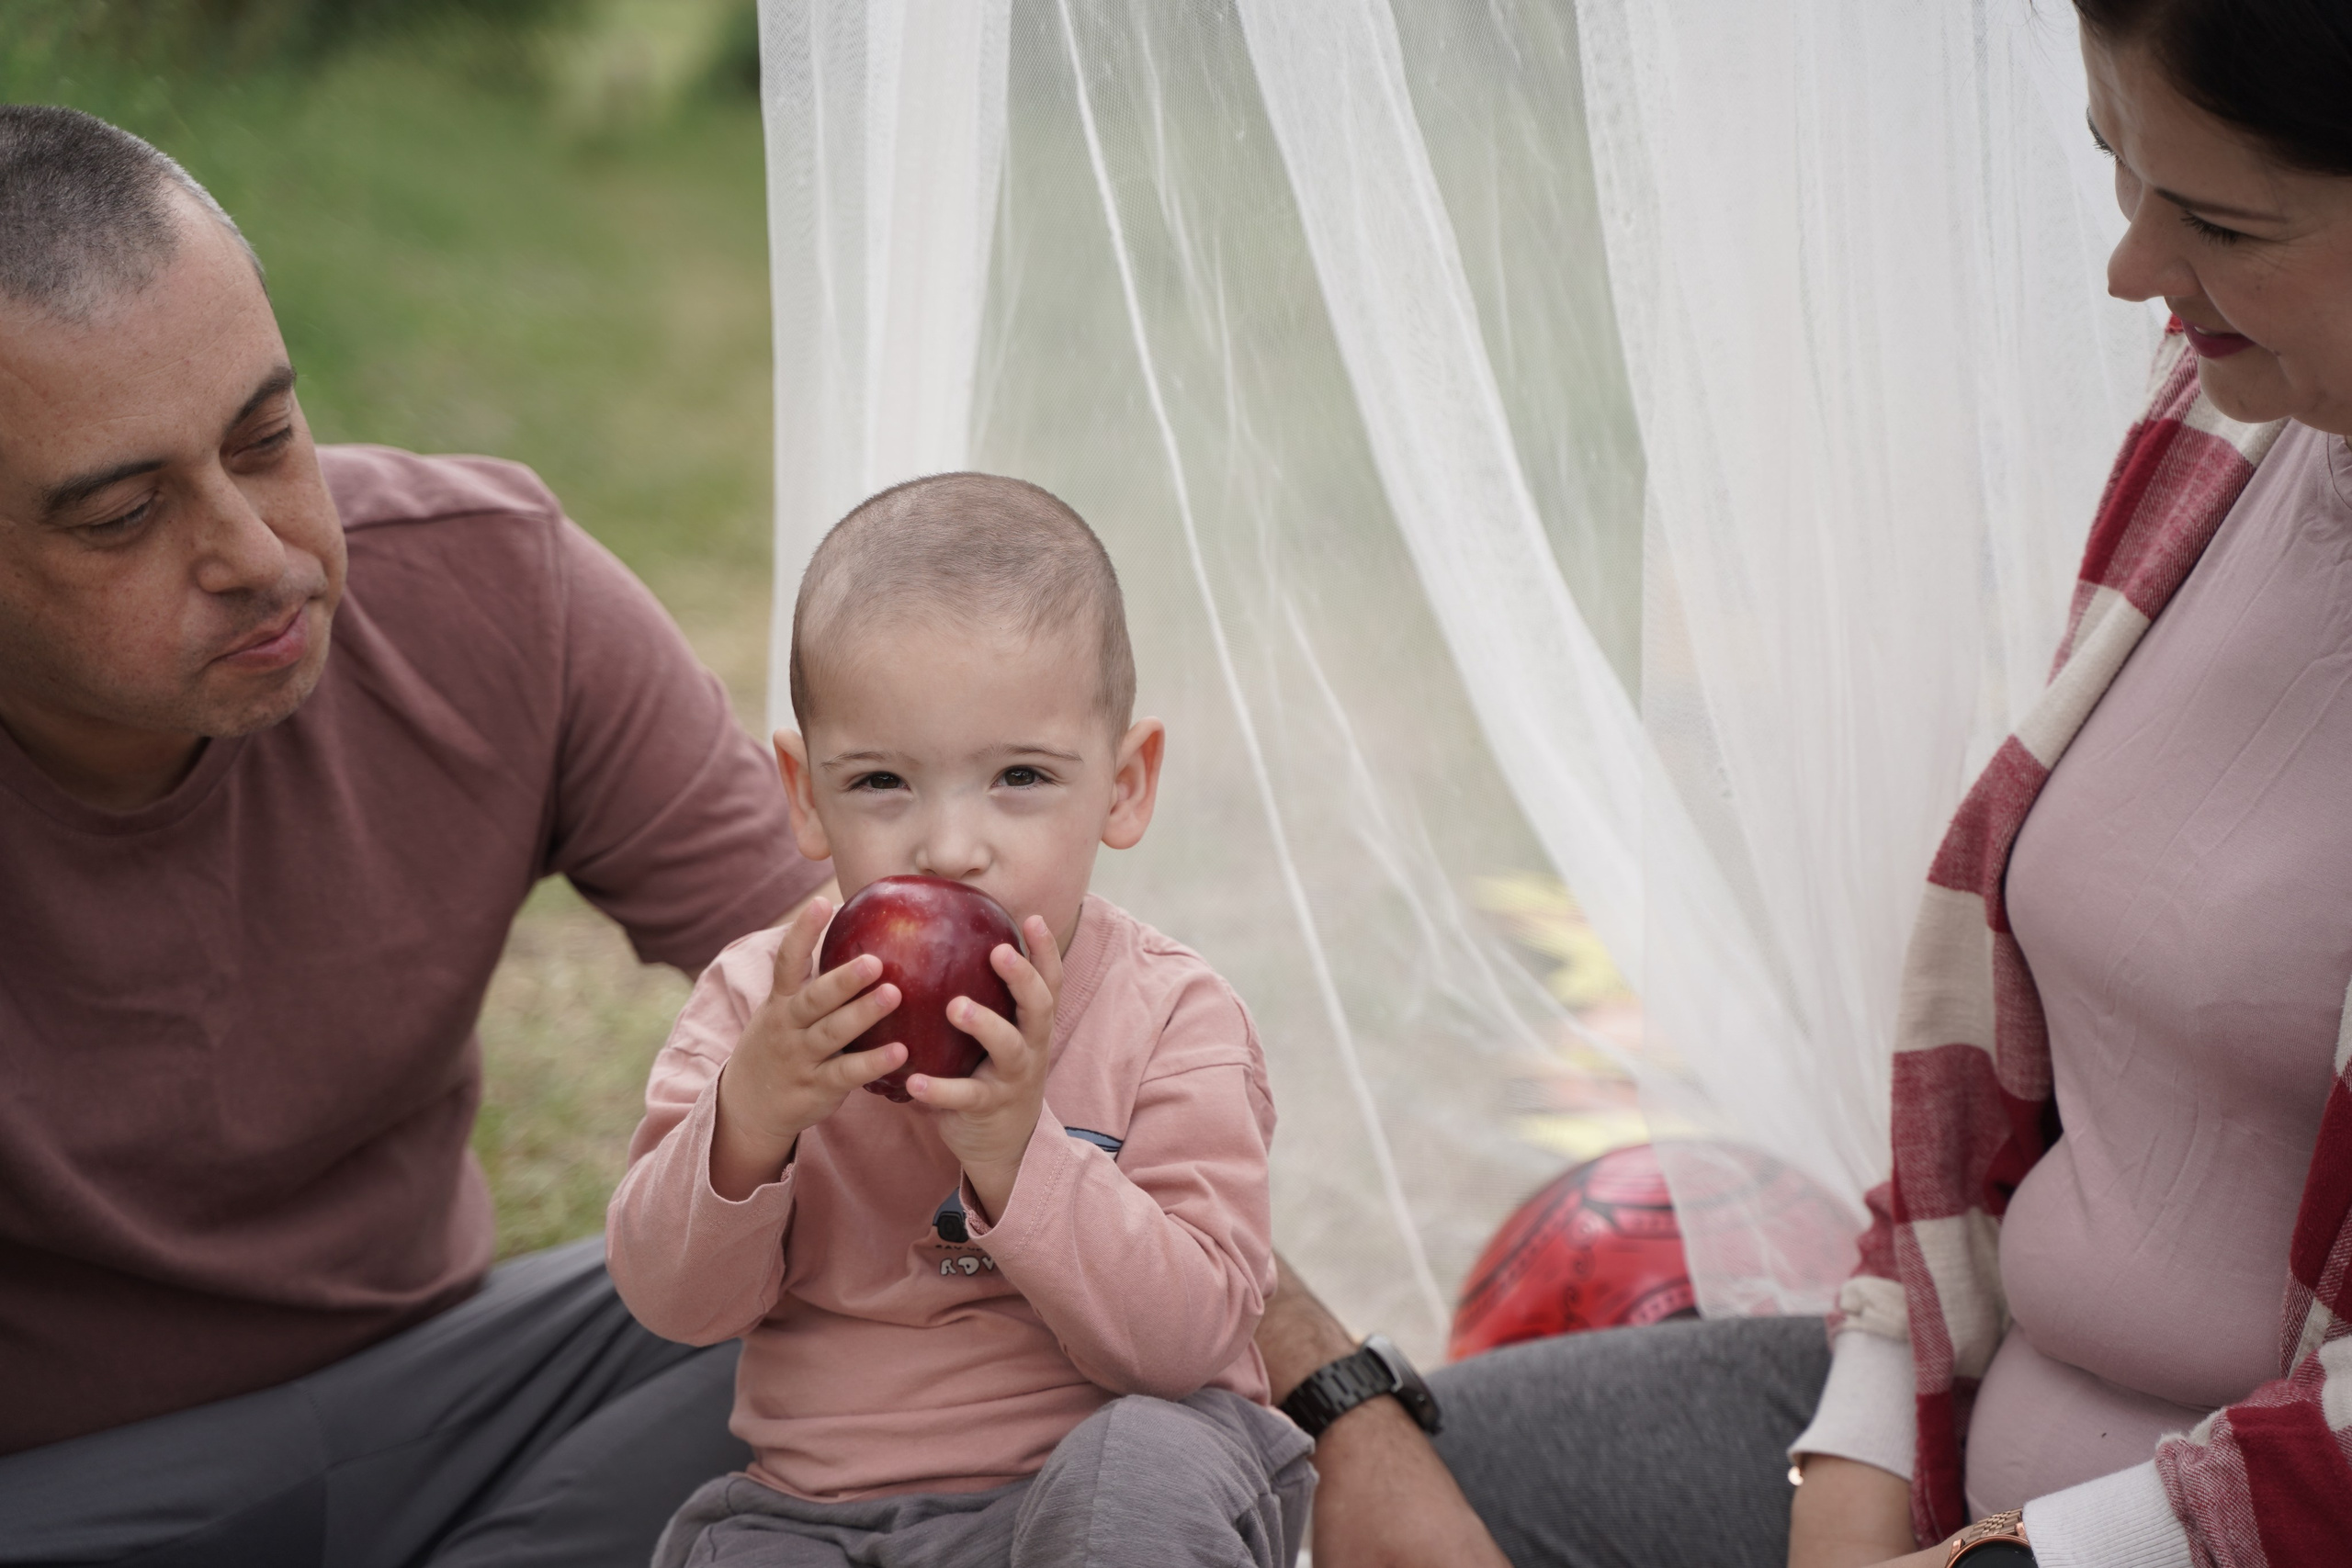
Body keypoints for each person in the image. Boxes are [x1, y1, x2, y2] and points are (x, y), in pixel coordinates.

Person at [1258, 3, 2352, 1566]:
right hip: (1966, 1436)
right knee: (1265, 1493)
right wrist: (1855, 1461)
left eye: (2222, 223)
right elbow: (1987, 1122)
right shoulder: (2233, 414)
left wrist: (2020, 1550)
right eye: (2119, 165)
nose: (2134, 269)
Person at [0, 107, 829, 1565]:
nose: (258, 552)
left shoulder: (491, 586)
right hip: (64, 1491)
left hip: (462, 1396)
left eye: (267, 438)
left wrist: (1287, 1365)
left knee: (889, 1309)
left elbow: (894, 1012)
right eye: (125, 514)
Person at [605, 473, 1314, 1568]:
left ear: (1125, 784)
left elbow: (1188, 1343)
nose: (947, 849)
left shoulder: (1170, 1017)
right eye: (881, 781)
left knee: (1139, 1472)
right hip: (824, 1512)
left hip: (1087, 1493)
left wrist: (1019, 1154)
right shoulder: (761, 1006)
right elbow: (673, 1303)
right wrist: (752, 1118)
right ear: (803, 793)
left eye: (1019, 776)